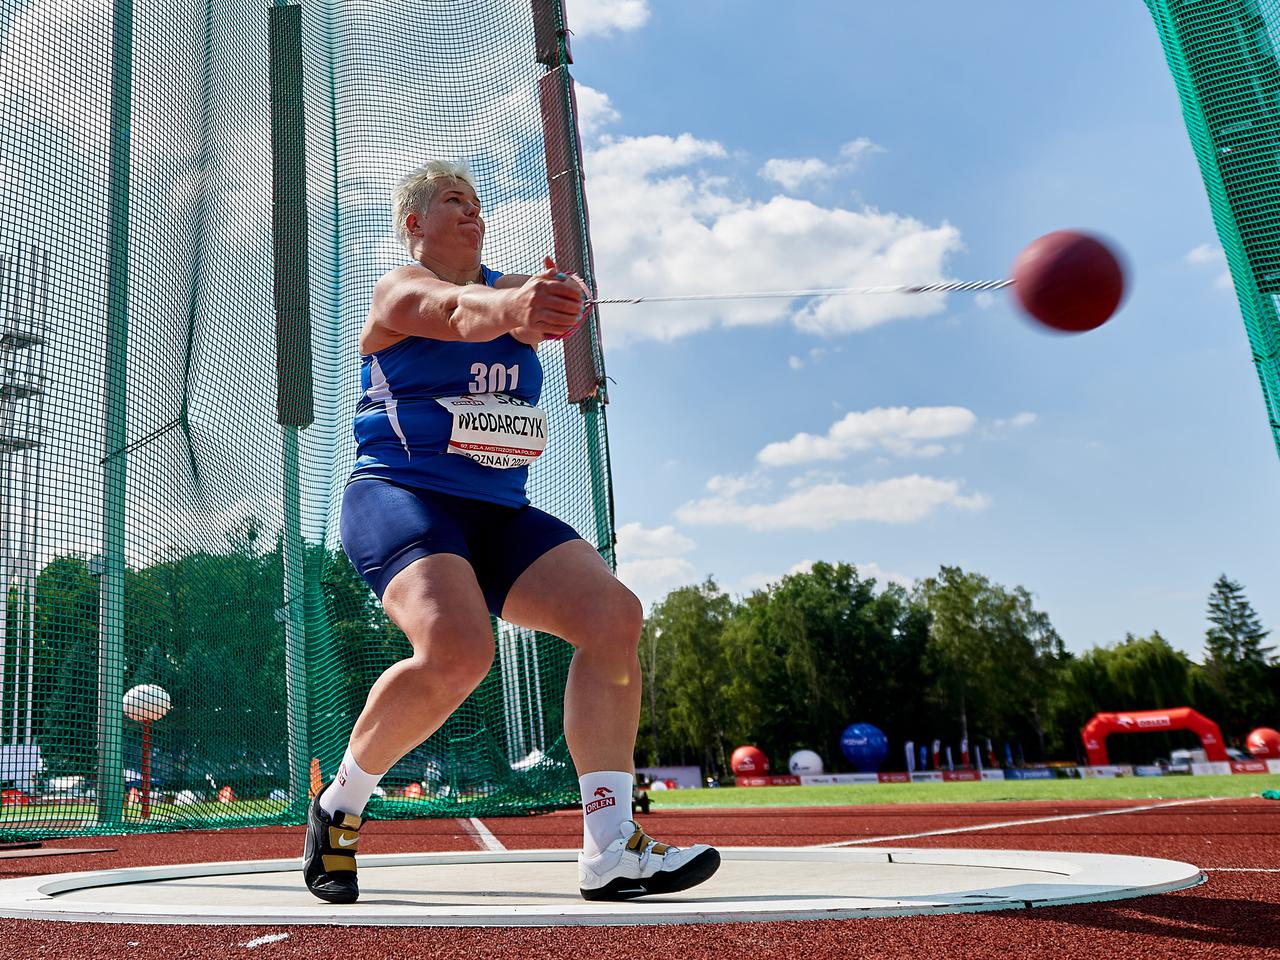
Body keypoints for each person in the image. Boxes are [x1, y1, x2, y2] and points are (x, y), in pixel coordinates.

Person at [302, 159, 720, 904]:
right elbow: (461, 315)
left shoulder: (508, 290)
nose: (471, 212)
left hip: (496, 511)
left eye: (476, 203)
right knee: (459, 650)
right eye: (453, 202)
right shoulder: (398, 291)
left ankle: (610, 843)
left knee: (612, 617)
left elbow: (517, 308)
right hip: (402, 496)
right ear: (414, 224)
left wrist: (548, 305)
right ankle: (340, 806)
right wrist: (520, 308)